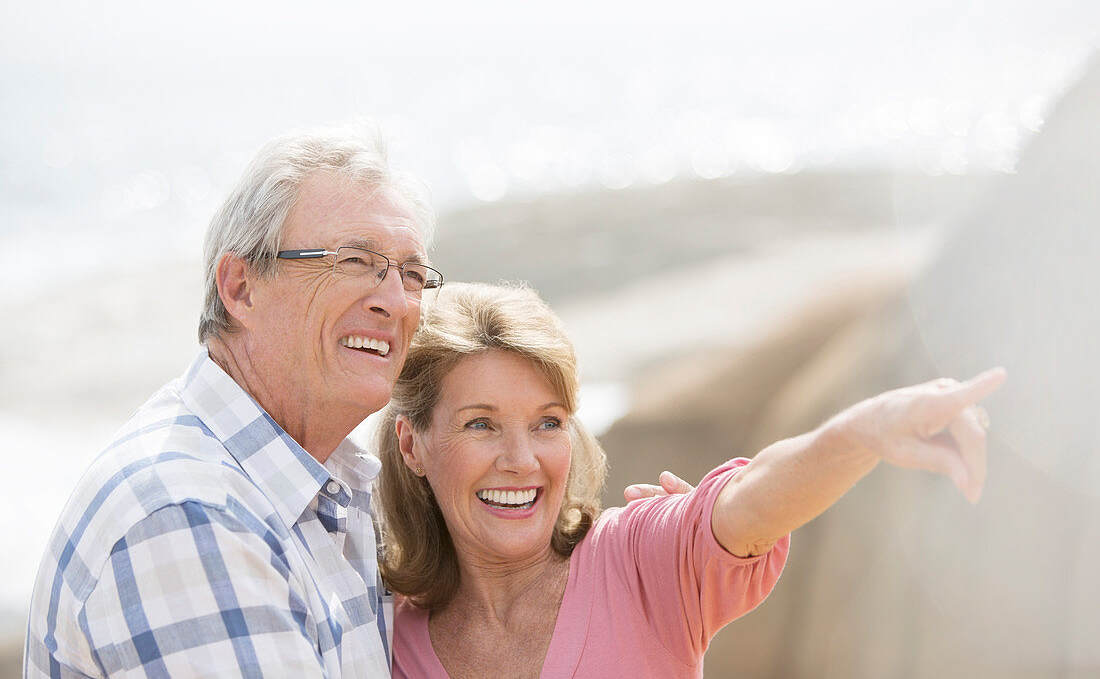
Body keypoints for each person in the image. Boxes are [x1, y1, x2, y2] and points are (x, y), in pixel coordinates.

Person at [375, 282, 1005, 678]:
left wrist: (864, 431)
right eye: (481, 425)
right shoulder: (382, 635)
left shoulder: (639, 558)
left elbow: (751, 503)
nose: (521, 460)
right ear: (413, 445)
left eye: (547, 423)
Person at [25, 123, 443, 677]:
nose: (394, 301)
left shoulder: (325, 483)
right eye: (353, 261)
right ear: (240, 287)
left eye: (411, 274)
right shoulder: (189, 516)